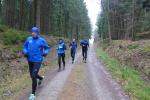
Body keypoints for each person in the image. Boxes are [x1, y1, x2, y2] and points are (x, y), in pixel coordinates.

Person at [22, 27, 50, 100]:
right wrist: (25, 52)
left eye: (34, 32)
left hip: (37, 60)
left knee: (33, 76)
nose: (32, 33)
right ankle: (41, 78)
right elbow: (24, 47)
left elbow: (47, 48)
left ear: (37, 33)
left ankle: (33, 94)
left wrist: (45, 52)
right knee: (32, 75)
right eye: (32, 32)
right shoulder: (29, 39)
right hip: (30, 60)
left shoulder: (41, 40)